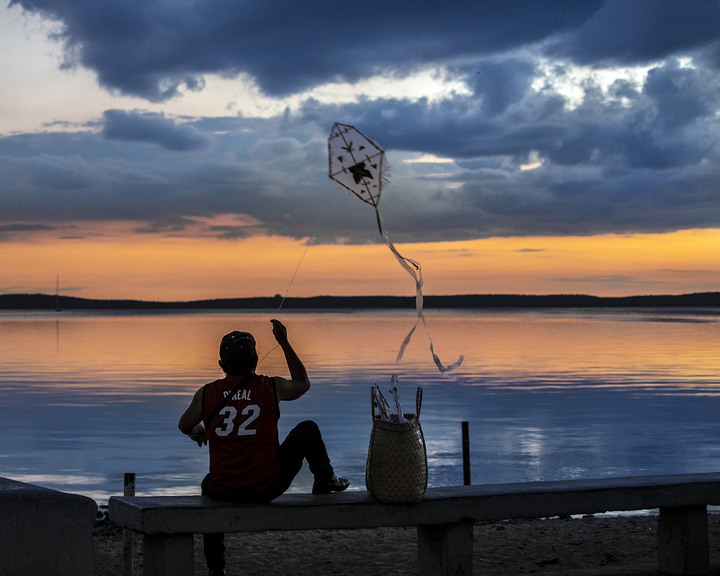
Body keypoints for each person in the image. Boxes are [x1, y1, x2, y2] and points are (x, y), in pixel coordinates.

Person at [178, 318, 349, 576]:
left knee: (207, 486)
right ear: (256, 361)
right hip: (268, 486)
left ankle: (216, 568)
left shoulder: (206, 393)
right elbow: (302, 383)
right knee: (308, 429)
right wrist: (284, 342)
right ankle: (325, 480)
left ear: (221, 365)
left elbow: (184, 424)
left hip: (224, 489)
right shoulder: (271, 387)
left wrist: (196, 430)